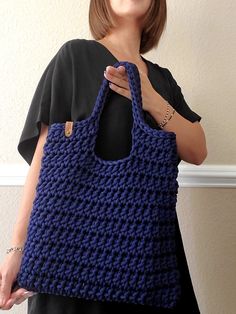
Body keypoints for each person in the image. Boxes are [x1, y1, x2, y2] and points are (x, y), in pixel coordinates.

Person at [0, 0, 207, 312]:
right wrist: (18, 246)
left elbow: (198, 150)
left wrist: (151, 99)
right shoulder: (75, 56)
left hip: (145, 254)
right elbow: (46, 157)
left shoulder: (162, 80)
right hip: (70, 251)